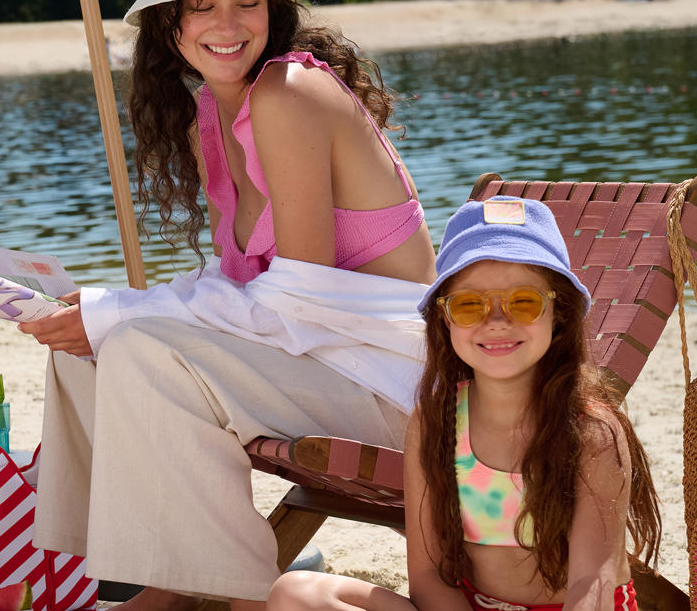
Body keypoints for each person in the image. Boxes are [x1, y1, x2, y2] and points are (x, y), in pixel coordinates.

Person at [17, 0, 436, 608]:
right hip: (322, 360)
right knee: (90, 348)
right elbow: (236, 283)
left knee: (136, 345)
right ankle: (162, 579)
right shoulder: (211, 116)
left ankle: (241, 596)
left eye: (248, 2)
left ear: (273, 11)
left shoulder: (290, 93)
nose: (228, 23)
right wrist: (104, 310)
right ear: (169, 26)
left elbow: (299, 297)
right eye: (202, 6)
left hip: (396, 388)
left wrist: (120, 313)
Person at [266, 197, 662, 611]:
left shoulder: (590, 432)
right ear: (445, 319)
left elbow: (591, 582)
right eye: (469, 305)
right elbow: (428, 576)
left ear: (558, 312)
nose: (497, 320)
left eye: (524, 301)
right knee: (296, 593)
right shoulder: (438, 422)